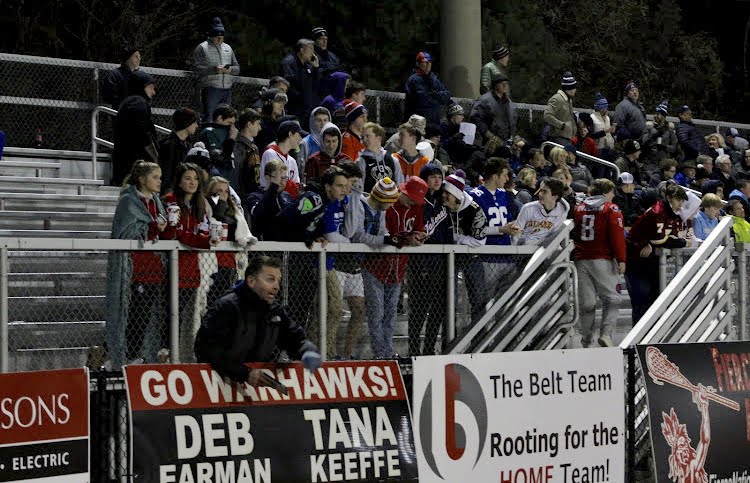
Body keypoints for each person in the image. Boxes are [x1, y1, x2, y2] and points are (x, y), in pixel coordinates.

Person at [195, 255, 322, 386]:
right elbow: (207, 349)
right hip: (219, 385)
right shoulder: (227, 306)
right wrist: (243, 373)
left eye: (278, 281)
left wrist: (306, 349)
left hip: (257, 386)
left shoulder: (275, 310)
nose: (276, 286)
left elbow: (293, 336)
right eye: (270, 280)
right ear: (251, 281)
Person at [106, 160, 167, 366]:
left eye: (160, 177)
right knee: (136, 315)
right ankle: (129, 356)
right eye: (155, 177)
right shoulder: (128, 202)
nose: (159, 181)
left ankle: (144, 355)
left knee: (149, 315)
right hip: (135, 267)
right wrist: (151, 227)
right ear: (142, 179)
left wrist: (161, 228)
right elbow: (126, 231)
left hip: (155, 267)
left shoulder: (157, 202)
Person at [362, 177, 427, 358]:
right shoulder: (388, 204)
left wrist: (418, 236)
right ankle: (379, 355)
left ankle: (388, 354)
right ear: (404, 192)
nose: (414, 202)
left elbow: (418, 228)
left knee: (390, 315)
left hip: (398, 268)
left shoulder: (416, 207)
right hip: (376, 265)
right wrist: (407, 239)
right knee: (377, 314)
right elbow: (386, 236)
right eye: (412, 198)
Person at [162, 163, 215, 362]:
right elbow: (174, 234)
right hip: (171, 268)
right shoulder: (170, 200)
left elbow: (203, 232)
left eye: (195, 178)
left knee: (184, 317)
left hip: (192, 269)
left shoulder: (200, 203)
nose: (192, 182)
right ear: (179, 181)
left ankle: (180, 355)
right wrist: (202, 241)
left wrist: (204, 240)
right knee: (168, 316)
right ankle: (165, 354)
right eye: (187, 178)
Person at [573, 179, 626, 348]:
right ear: (605, 193)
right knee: (613, 298)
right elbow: (617, 236)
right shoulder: (611, 209)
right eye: (611, 193)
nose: (613, 197)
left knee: (587, 303)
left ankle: (586, 339)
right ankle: (606, 334)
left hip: (581, 260)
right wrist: (621, 258)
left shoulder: (579, 208)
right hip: (602, 259)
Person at [625, 182, 689, 323]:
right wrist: (681, 241)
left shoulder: (671, 214)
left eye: (682, 201)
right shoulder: (658, 211)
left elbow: (667, 239)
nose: (680, 204)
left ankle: (651, 339)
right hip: (637, 262)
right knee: (642, 301)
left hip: (653, 262)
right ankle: (638, 341)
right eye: (678, 200)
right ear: (668, 197)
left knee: (655, 300)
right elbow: (661, 240)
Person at [408, 164, 452, 356]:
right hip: (420, 262)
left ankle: (428, 349)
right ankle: (413, 350)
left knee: (437, 311)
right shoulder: (418, 201)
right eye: (432, 177)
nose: (436, 180)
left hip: (441, 263)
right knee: (418, 310)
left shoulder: (444, 202)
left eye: (439, 177)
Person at [205, 176, 256, 309]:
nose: (223, 194)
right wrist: (218, 204)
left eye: (226, 191)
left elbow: (241, 232)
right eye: (219, 191)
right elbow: (216, 220)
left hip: (230, 263)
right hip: (211, 264)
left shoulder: (234, 210)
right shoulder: (205, 206)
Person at [442, 174, 487, 323]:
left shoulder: (475, 210)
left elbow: (480, 241)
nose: (443, 196)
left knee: (479, 300)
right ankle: (448, 340)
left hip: (471, 258)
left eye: (447, 193)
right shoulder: (440, 207)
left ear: (456, 194)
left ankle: (480, 339)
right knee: (448, 302)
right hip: (446, 260)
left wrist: (455, 238)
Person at [111, 70, 158, 186]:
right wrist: (156, 156)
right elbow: (143, 134)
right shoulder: (138, 103)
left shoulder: (128, 103)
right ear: (141, 86)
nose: (153, 92)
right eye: (151, 87)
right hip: (134, 167)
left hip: (125, 165)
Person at [193, 17, 240, 123]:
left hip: (227, 89)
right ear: (211, 35)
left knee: (226, 118)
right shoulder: (202, 48)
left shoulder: (228, 48)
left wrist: (230, 70)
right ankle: (206, 138)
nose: (219, 39)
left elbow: (237, 68)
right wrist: (214, 69)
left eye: (221, 36)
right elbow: (196, 68)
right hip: (210, 89)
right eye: (217, 36)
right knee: (209, 117)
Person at [245, 159, 294, 240]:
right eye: (279, 178)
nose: (282, 182)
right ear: (267, 177)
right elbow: (258, 214)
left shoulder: (287, 197)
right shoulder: (254, 197)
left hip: (285, 246)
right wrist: (273, 187)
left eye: (284, 178)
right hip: (263, 246)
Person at [470, 73, 517, 156]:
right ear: (495, 85)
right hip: (488, 141)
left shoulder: (509, 102)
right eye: (501, 83)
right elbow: (475, 117)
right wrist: (486, 132)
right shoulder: (485, 100)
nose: (504, 85)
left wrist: (513, 136)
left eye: (505, 83)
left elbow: (513, 120)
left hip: (505, 141)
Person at [514, 178, 570, 245]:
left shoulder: (563, 211)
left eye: (544, 192)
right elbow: (516, 233)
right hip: (524, 250)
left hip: (546, 250)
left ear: (555, 197)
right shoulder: (528, 208)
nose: (540, 194)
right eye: (540, 190)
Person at [404, 51, 451, 126]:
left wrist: (435, 95)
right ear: (418, 64)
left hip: (433, 120)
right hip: (418, 122)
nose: (428, 65)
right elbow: (423, 100)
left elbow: (447, 95)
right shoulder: (414, 79)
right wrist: (437, 96)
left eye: (429, 62)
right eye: (425, 62)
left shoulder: (433, 78)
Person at [158, 108, 199, 194]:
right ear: (187, 123)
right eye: (194, 122)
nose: (197, 126)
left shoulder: (188, 144)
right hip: (172, 191)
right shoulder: (169, 145)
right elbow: (167, 174)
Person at [281, 38, 321, 124]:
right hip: (294, 108)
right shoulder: (289, 62)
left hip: (306, 109)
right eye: (310, 49)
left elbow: (315, 84)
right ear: (302, 50)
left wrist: (316, 67)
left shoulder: (308, 66)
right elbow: (289, 84)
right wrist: (301, 98)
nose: (313, 53)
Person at [356, 122, 404, 192]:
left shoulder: (392, 160)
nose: (364, 140)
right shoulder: (361, 161)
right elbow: (359, 189)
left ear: (378, 138)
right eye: (362, 137)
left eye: (367, 136)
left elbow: (400, 185)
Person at [198, 104, 238, 186]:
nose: (232, 127)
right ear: (219, 118)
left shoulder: (231, 133)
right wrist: (231, 140)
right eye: (229, 123)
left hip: (230, 180)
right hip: (216, 180)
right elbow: (219, 159)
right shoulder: (209, 132)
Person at [259, 120, 306, 190]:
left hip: (288, 199)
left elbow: (296, 187)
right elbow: (275, 182)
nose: (301, 139)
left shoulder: (292, 160)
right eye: (299, 135)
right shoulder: (270, 154)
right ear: (290, 134)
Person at [234, 108, 263, 202]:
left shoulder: (254, 146)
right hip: (244, 196)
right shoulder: (239, 146)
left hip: (254, 194)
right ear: (249, 124)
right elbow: (238, 174)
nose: (260, 128)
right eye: (258, 124)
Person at [640, 101, 678, 169]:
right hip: (649, 162)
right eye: (655, 113)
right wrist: (653, 131)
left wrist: (664, 147)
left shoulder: (669, 130)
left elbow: (674, 148)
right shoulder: (649, 127)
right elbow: (643, 141)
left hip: (663, 163)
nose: (655, 116)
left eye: (658, 114)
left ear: (663, 116)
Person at [102, 45, 141, 110]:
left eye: (139, 56)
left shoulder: (139, 76)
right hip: (120, 113)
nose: (139, 59)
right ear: (128, 58)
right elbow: (108, 95)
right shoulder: (115, 75)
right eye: (136, 56)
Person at [544, 72, 577, 145]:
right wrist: (562, 125)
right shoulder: (557, 99)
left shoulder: (568, 100)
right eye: (574, 88)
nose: (575, 90)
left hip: (568, 138)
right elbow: (547, 115)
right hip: (559, 138)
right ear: (570, 89)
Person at [298, 106, 331, 176]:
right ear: (313, 122)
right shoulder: (304, 143)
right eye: (319, 120)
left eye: (325, 120)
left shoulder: (334, 141)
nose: (323, 124)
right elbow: (301, 169)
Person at [590, 93, 615, 160]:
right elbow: (591, 135)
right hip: (598, 148)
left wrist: (612, 131)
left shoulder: (607, 118)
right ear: (600, 108)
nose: (606, 110)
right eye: (605, 108)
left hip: (609, 147)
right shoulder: (592, 118)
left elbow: (609, 133)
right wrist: (604, 132)